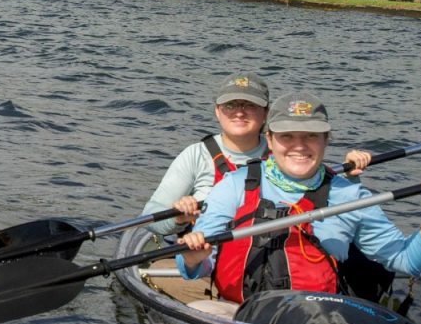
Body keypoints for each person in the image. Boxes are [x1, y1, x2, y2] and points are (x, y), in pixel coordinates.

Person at [176, 92, 421, 314]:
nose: (299, 146)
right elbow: (193, 270)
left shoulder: (349, 196)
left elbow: (406, 261)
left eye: (311, 135)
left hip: (318, 322)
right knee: (196, 312)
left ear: (327, 140)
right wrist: (192, 258)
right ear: (270, 141)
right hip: (238, 315)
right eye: (287, 136)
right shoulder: (234, 185)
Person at [142, 73, 371, 236]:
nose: (239, 112)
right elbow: (152, 220)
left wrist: (351, 175)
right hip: (209, 255)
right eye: (230, 105)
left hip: (281, 252)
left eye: (249, 105)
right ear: (217, 112)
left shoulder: (287, 152)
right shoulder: (195, 155)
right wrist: (179, 218)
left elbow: (325, 198)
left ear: (266, 114)